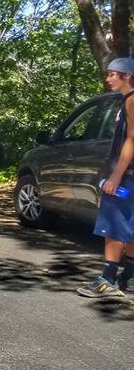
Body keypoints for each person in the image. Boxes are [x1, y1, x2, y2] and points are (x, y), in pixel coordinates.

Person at [79, 57, 134, 299]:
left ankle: (108, 278)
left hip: (127, 175)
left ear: (127, 77)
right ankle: (129, 276)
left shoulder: (132, 101)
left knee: (113, 224)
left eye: (113, 74)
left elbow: (132, 140)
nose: (108, 78)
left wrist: (116, 175)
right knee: (130, 225)